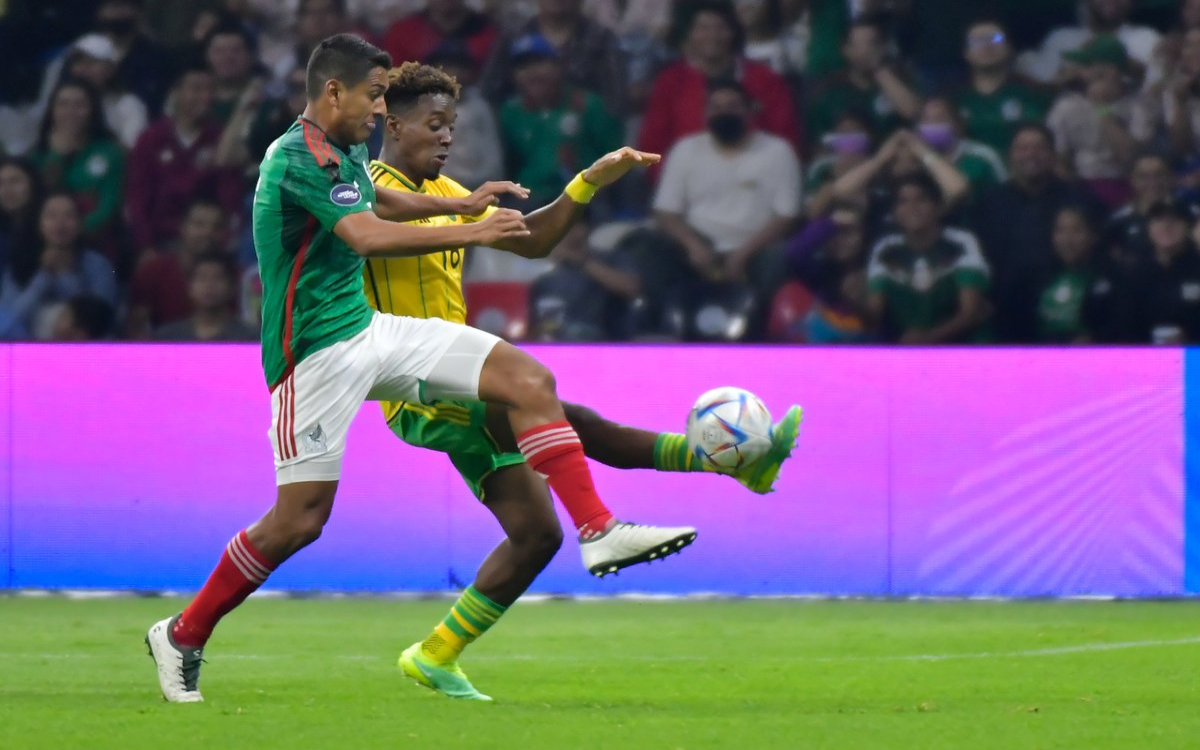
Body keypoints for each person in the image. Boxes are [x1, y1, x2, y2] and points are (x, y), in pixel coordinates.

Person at [143, 33, 664, 706]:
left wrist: (462, 202)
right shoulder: (295, 154)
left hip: (369, 331)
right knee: (299, 521)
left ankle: (598, 529)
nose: (380, 109)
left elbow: (380, 203)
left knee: (527, 380)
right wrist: (471, 230)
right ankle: (183, 633)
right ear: (334, 91)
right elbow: (363, 235)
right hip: (313, 355)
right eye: (374, 95)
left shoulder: (349, 150)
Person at [367, 62, 802, 696]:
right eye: (434, 126)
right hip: (414, 381)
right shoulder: (368, 190)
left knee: (536, 532)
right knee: (562, 413)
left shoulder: (451, 196)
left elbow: (535, 240)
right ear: (393, 122)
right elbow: (361, 230)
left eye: (452, 126)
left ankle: (435, 654)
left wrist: (586, 184)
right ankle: (606, 523)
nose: (447, 138)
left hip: (455, 371)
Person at [866, 173, 991, 344]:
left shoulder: (961, 241)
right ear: (894, 213)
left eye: (921, 199)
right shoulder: (885, 248)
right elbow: (874, 312)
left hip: (959, 347)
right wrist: (852, 303)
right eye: (903, 202)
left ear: (938, 207)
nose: (913, 207)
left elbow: (971, 313)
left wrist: (928, 338)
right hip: (905, 347)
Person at [956, 19, 1053, 158]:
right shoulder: (952, 99)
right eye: (977, 41)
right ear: (966, 53)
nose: (987, 46)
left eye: (996, 39)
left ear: (1009, 48)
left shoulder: (1036, 92)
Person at [155, 253, 258, 341]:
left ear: (232, 287)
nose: (209, 285)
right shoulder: (168, 337)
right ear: (189, 287)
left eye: (218, 278)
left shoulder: (250, 337)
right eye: (202, 278)